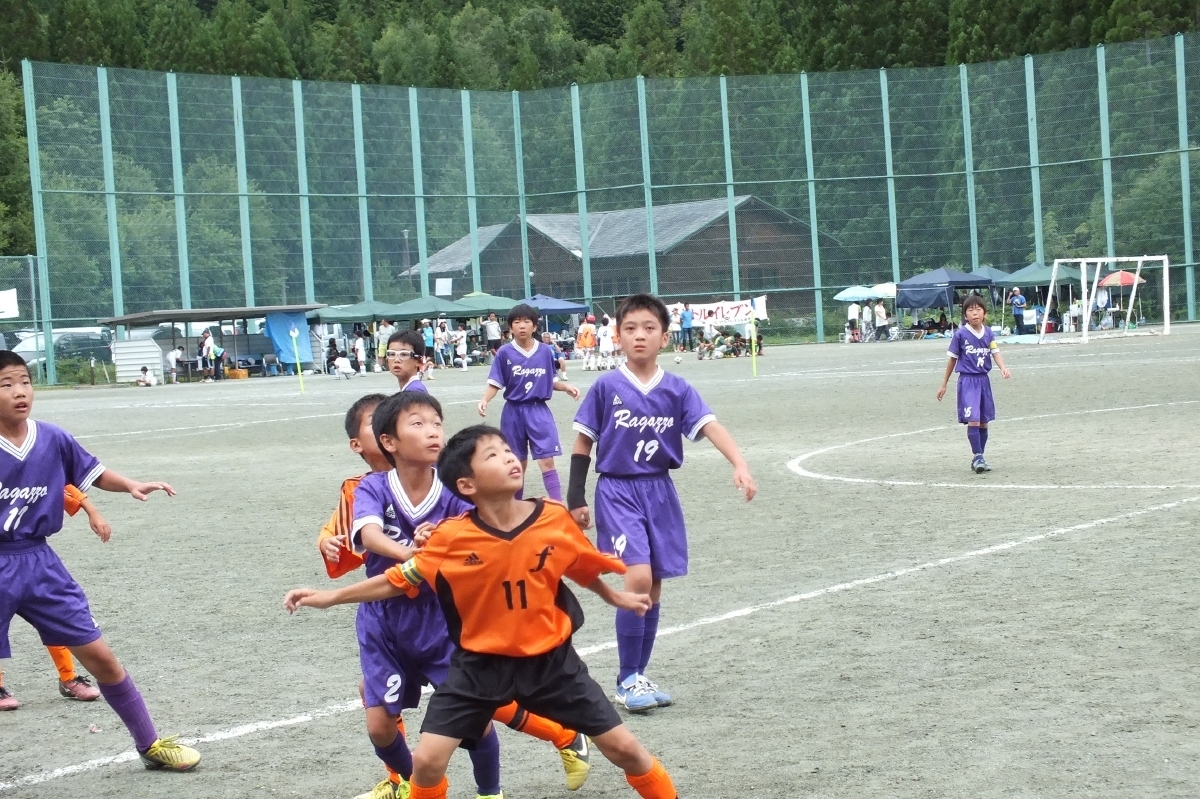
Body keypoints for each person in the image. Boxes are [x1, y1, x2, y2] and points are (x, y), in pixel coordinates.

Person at [285, 425, 679, 799]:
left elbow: (578, 564)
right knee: (427, 761)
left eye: (507, 450)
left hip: (552, 664)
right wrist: (330, 597)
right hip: (478, 666)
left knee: (626, 750)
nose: (508, 458)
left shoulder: (552, 517)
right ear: (466, 485)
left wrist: (613, 596)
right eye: (492, 455)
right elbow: (398, 579)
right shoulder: (450, 537)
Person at [316, 393, 591, 799]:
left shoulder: (452, 490)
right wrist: (330, 542)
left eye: (435, 424)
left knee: (477, 713)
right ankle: (412, 782)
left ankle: (494, 785)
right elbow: (353, 533)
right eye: (417, 424)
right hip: (384, 619)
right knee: (379, 718)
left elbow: (487, 532)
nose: (431, 431)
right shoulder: (364, 487)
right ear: (375, 441)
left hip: (443, 618)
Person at [0, 350, 200, 769]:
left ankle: (149, 745)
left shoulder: (52, 437)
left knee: (100, 657)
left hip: (40, 563)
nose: (20, 392)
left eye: (25, 382)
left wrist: (129, 484)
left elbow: (90, 472)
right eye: (7, 384)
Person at [568, 294, 755, 712]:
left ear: (665, 338)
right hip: (617, 490)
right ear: (618, 337)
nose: (639, 335)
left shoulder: (677, 388)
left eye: (649, 328)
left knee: (653, 583)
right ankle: (625, 679)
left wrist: (740, 464)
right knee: (637, 576)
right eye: (630, 328)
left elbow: (710, 426)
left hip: (659, 490)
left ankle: (638, 673)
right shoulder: (606, 387)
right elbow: (583, 442)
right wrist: (575, 497)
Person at [0, 483, 111, 710]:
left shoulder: (29, 465)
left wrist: (92, 510)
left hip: (31, 555)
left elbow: (57, 482)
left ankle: (68, 677)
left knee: (56, 616)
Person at [477, 304, 580, 502]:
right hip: (513, 413)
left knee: (547, 460)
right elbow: (495, 382)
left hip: (538, 411)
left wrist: (566, 387)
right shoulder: (505, 353)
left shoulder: (544, 351)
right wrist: (485, 400)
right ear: (510, 327)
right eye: (517, 322)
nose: (522, 326)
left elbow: (550, 381)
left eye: (526, 321)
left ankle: (558, 506)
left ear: (534, 326)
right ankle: (515, 506)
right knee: (517, 463)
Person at [937, 295, 1012, 474]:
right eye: (970, 310)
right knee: (974, 419)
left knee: (984, 422)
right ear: (965, 315)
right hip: (968, 381)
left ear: (985, 313)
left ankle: (980, 457)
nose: (975, 313)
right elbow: (952, 360)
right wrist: (944, 384)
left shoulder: (988, 333)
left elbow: (995, 352)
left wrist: (1003, 367)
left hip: (983, 380)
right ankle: (978, 456)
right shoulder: (960, 335)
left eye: (978, 309)